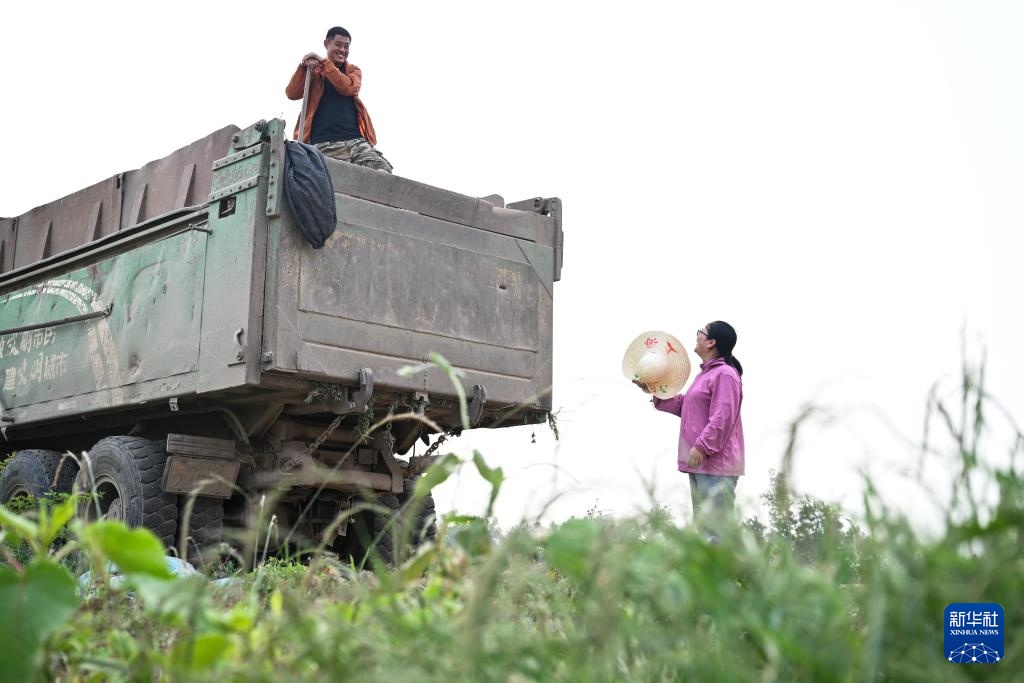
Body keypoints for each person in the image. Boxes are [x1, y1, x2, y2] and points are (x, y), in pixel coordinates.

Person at [645, 321, 745, 537]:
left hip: (716, 463)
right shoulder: (705, 375)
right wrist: (654, 389)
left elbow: (723, 416)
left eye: (701, 332)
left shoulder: (725, 374)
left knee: (716, 531)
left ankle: (723, 571)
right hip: (702, 463)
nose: (697, 335)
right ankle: (711, 571)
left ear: (711, 342)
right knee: (704, 531)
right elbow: (686, 406)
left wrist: (701, 447)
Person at [285, 26, 393, 173]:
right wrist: (303, 67)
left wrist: (324, 63)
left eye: (346, 46)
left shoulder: (353, 71)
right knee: (326, 182)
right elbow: (292, 93)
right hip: (324, 143)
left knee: (382, 171)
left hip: (355, 141)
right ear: (326, 44)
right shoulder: (314, 71)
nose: (343, 50)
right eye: (338, 45)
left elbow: (347, 87)